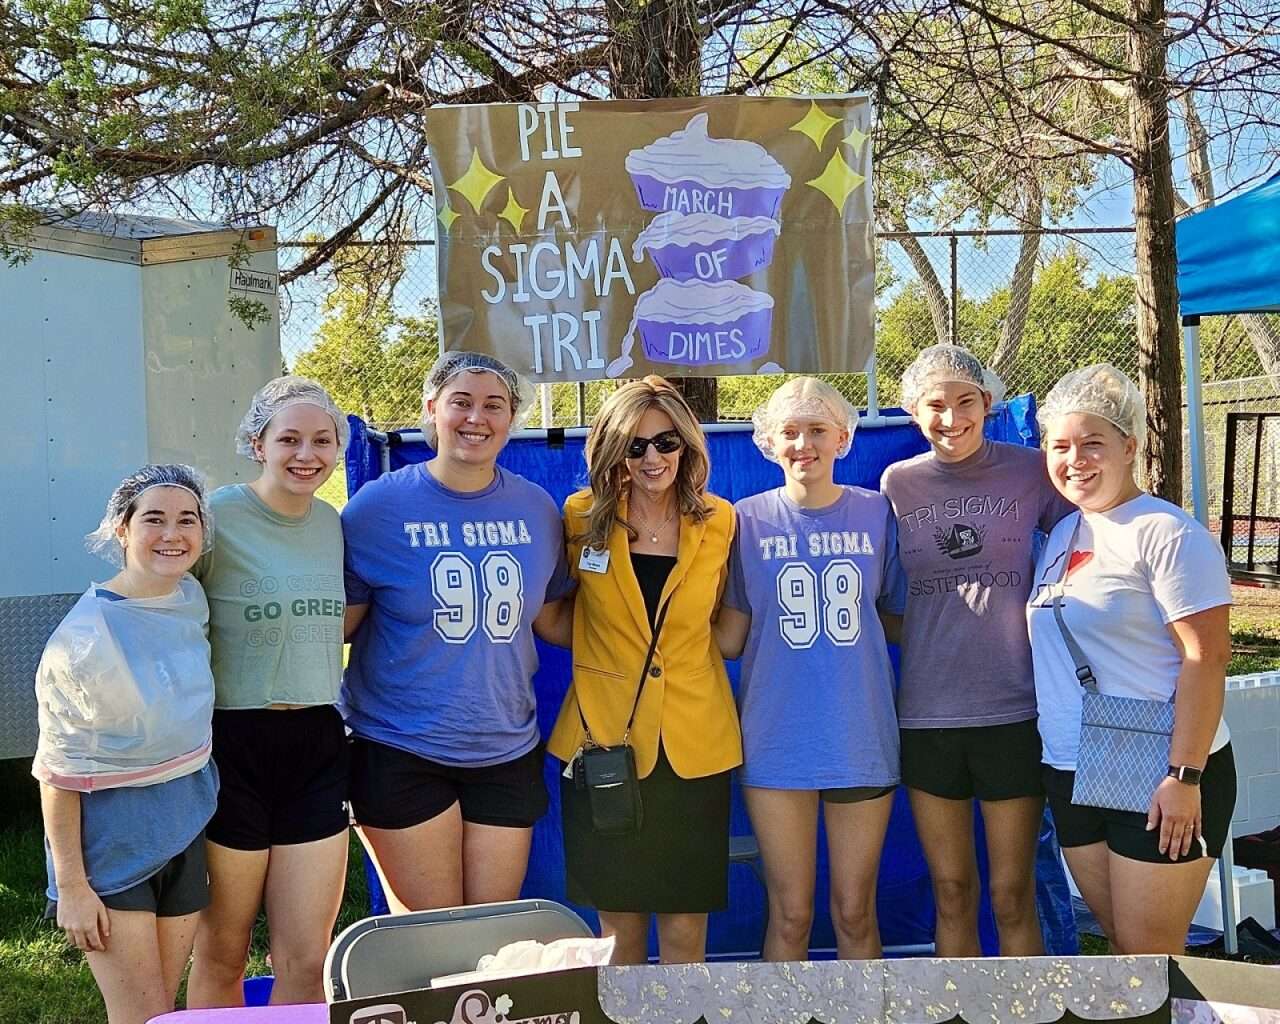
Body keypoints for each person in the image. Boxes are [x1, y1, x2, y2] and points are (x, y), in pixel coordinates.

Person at [340, 351, 572, 912]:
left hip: (504, 744)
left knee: (490, 932)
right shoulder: (379, 507)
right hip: (400, 744)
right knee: (432, 935)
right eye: (460, 402)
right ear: (432, 410)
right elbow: (339, 630)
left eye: (493, 405)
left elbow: (550, 620)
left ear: (512, 416)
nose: (476, 417)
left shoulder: (536, 509)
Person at [1028, 364, 1235, 954]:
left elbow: (1206, 657)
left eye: (1093, 443)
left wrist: (1184, 777)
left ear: (1129, 445)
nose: (1076, 460)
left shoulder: (1165, 533)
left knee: (1151, 960)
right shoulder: (1066, 531)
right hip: (1073, 767)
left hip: (1158, 771)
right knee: (1124, 954)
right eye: (1060, 446)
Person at [879, 344, 1072, 956]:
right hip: (928, 717)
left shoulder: (1032, 470)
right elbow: (883, 602)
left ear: (988, 404)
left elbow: (1095, 535)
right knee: (952, 890)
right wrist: (944, 639)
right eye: (935, 405)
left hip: (1014, 713)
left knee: (1012, 894)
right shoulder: (898, 483)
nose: (951, 417)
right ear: (913, 411)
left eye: (965, 401)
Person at [547, 375, 740, 966]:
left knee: (686, 935)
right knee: (618, 935)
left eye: (666, 442)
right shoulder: (580, 518)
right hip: (604, 745)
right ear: (612, 450)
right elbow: (552, 616)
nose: (652, 457)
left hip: (695, 746)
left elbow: (724, 622)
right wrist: (601, 656)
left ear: (687, 446)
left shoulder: (720, 520)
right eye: (635, 445)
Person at [713, 377, 905, 961]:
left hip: (860, 735)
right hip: (776, 739)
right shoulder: (744, 520)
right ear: (768, 441)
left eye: (818, 430)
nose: (804, 444)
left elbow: (898, 617)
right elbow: (731, 635)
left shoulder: (877, 512)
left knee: (854, 911)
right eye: (790, 432)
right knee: (791, 913)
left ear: (843, 437)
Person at [34, 465, 218, 1024]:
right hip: (113, 846)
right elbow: (56, 773)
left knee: (165, 1014)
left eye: (187, 520)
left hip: (185, 826)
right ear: (121, 529)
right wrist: (72, 887)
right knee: (138, 1016)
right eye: (153, 520)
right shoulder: (85, 641)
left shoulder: (188, 596)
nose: (172, 534)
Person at [188, 377, 350, 1007]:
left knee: (307, 960)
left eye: (322, 439)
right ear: (257, 443)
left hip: (315, 742)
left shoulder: (333, 524)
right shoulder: (218, 517)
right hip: (232, 745)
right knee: (223, 953)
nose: (306, 453)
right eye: (288, 438)